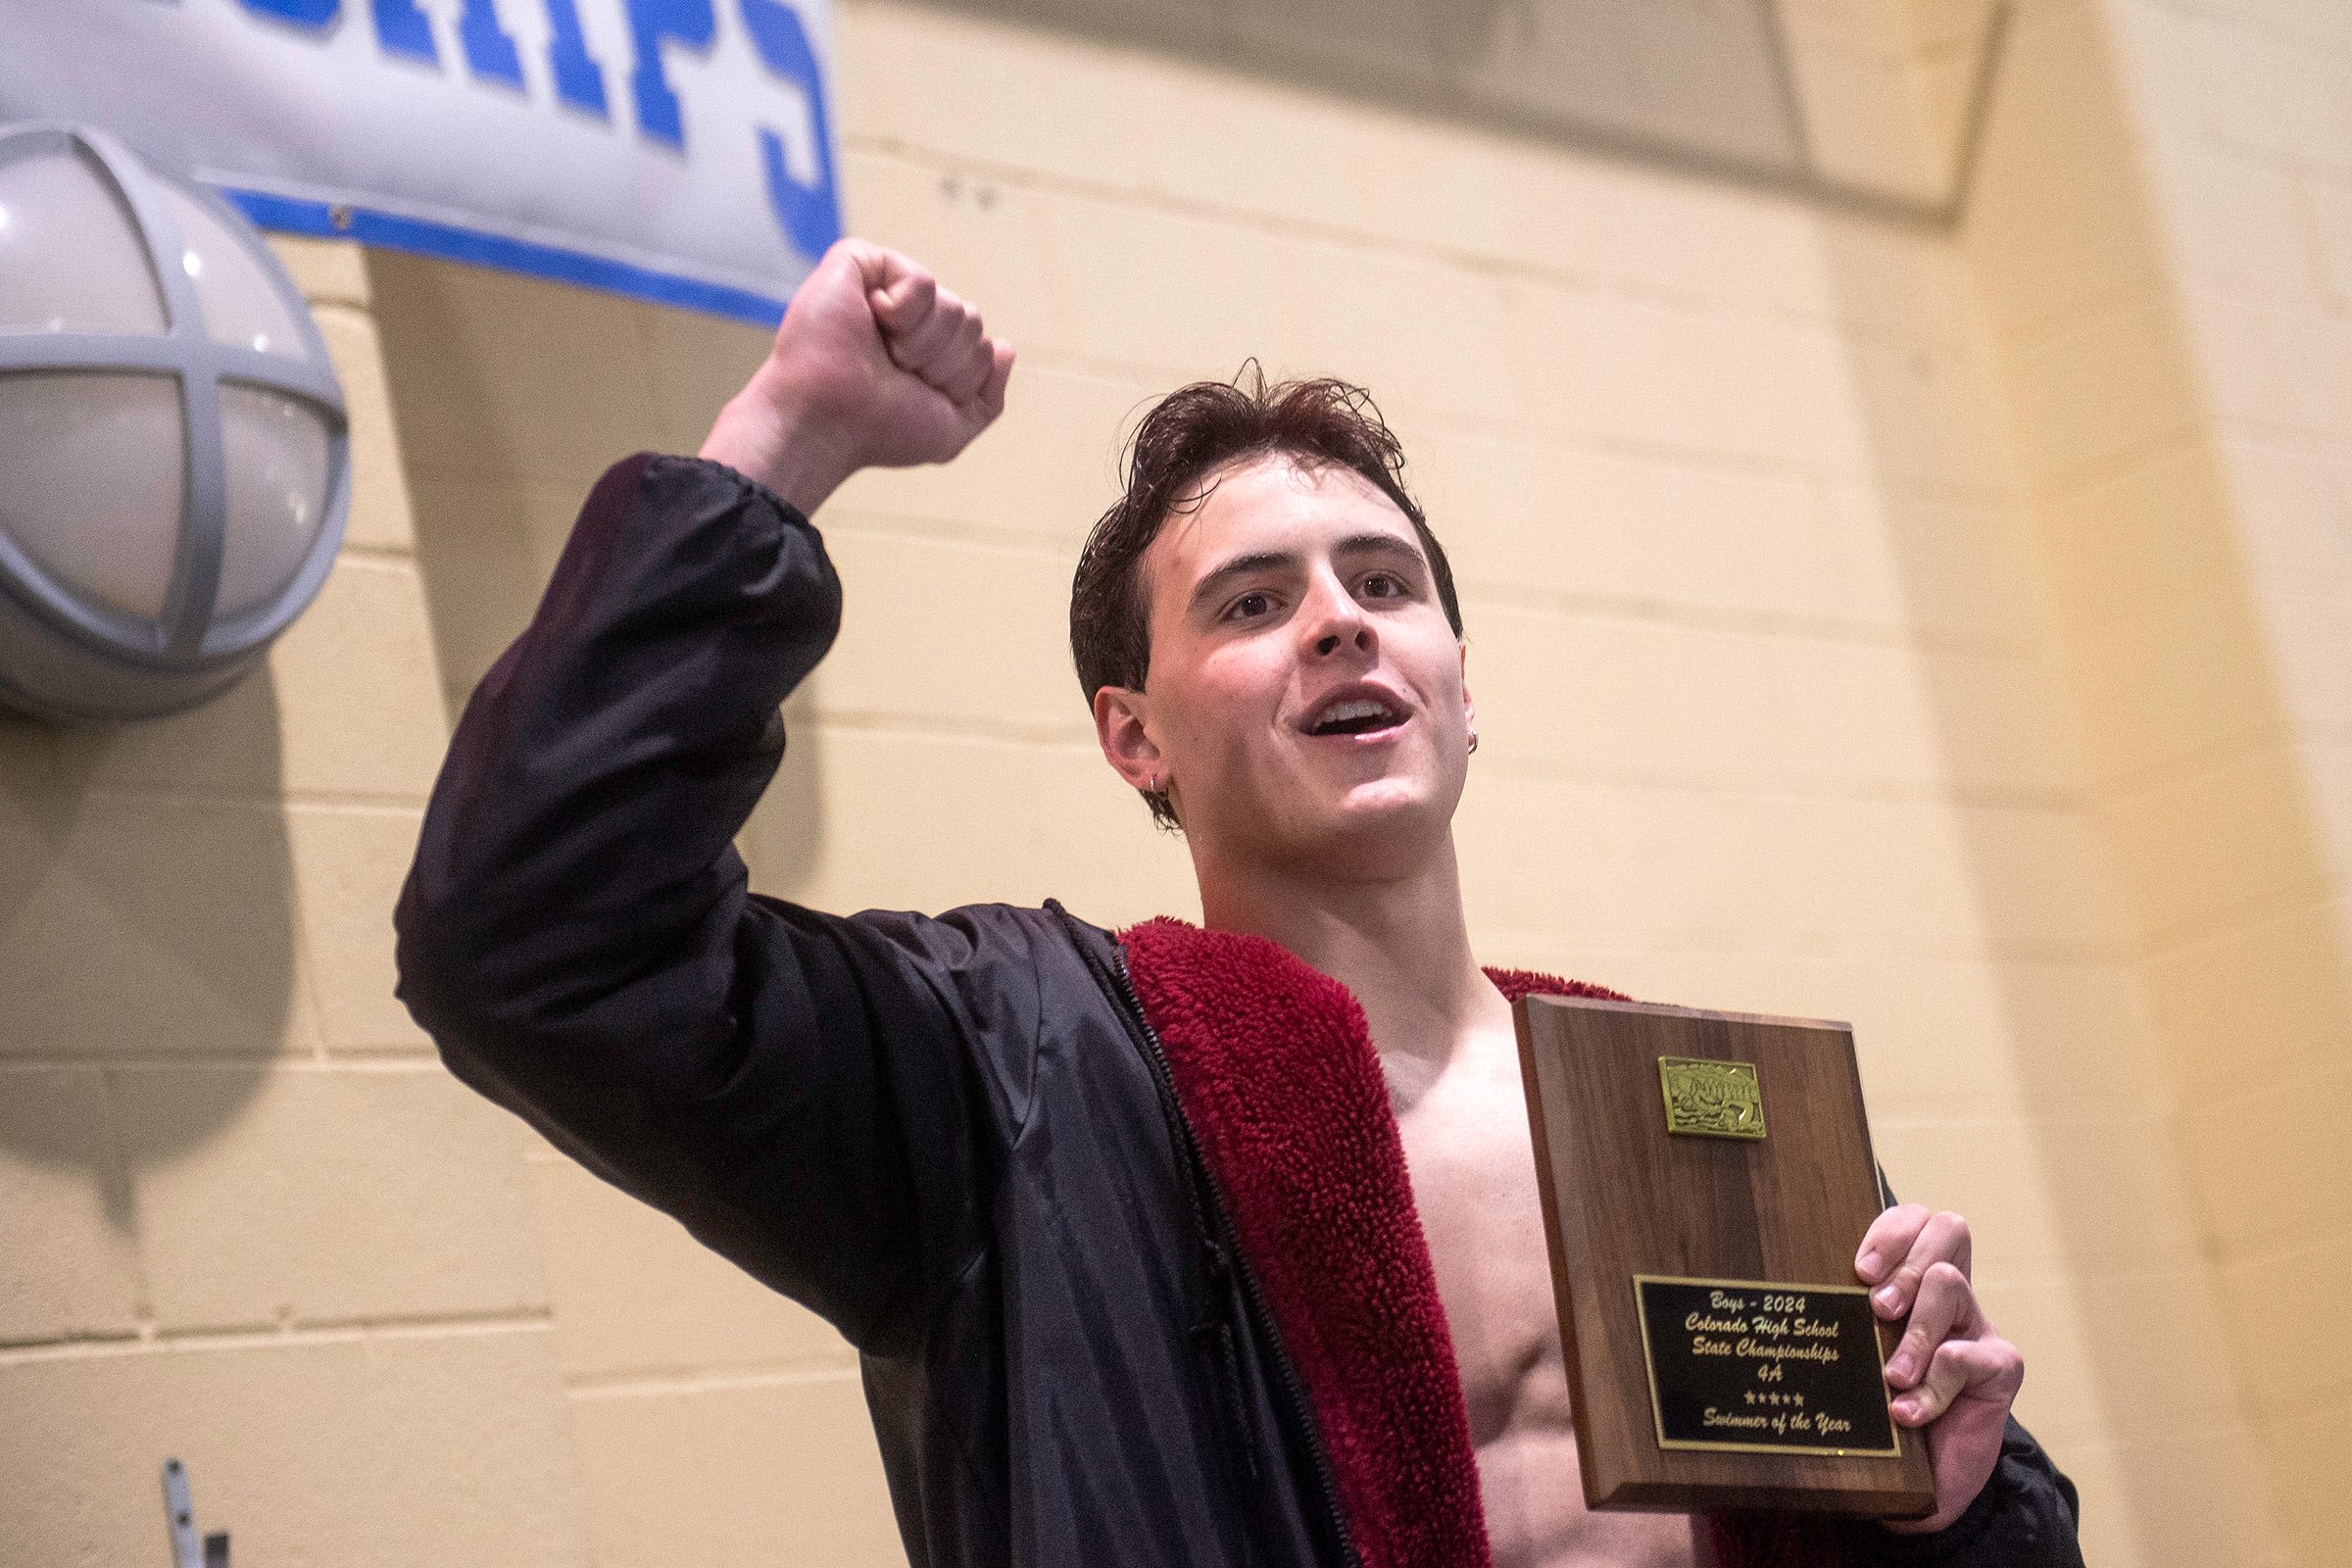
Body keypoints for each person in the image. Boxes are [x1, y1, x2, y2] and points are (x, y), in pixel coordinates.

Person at [396, 239, 2083, 1568]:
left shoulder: (1692, 1112)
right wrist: (786, 443)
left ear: (1462, 682)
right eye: (1255, 601)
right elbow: (531, 939)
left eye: (1387, 583)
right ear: (1135, 735)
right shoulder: (1012, 1079)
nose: (1342, 624)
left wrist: (1950, 1513)